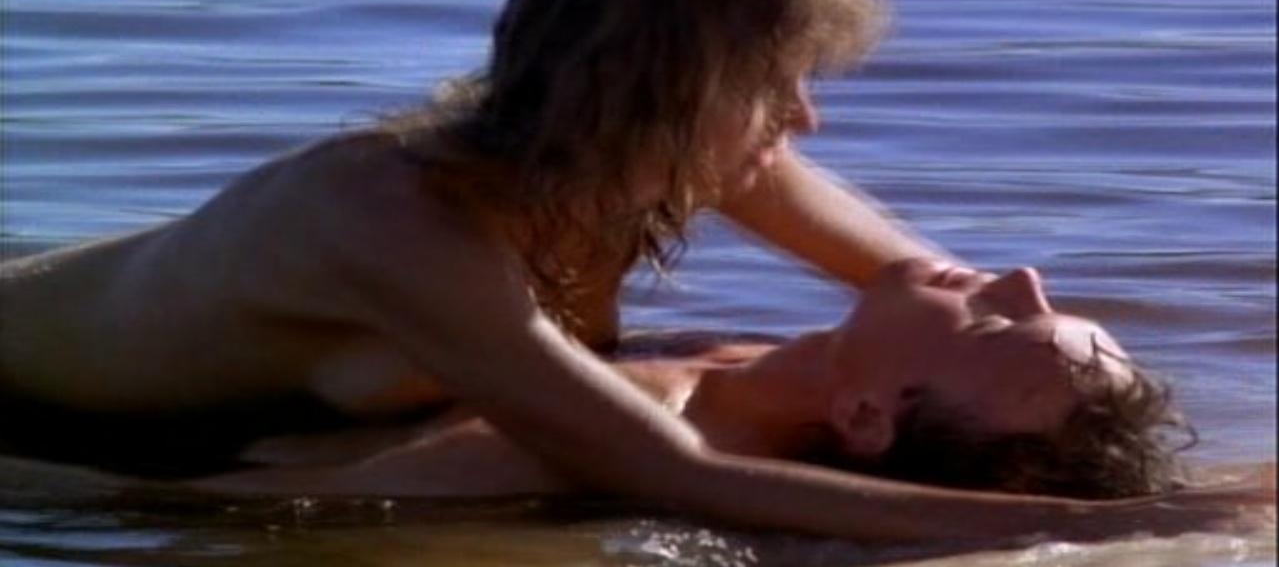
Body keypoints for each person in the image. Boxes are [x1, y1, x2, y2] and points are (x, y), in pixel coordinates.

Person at [0, 0, 1266, 543]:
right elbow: (670, 473)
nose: (802, 121)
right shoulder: (391, 218)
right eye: (776, 87)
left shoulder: (685, 154)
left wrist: (1153, 470)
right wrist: (1103, 527)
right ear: (656, 97)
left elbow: (948, 317)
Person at [194, 259, 1191, 502]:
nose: (1021, 277)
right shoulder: (769, 367)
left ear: (863, 417)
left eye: (1000, 323)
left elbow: (261, 490)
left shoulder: (618, 430)